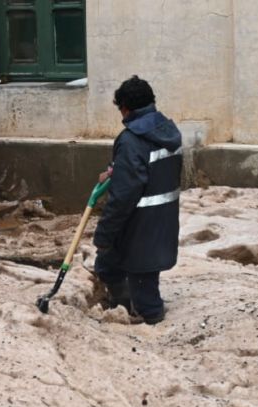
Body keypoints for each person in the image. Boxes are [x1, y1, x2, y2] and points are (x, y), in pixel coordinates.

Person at [92, 76, 183, 325]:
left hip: (138, 223)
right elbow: (149, 168)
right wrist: (115, 169)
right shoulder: (167, 130)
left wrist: (103, 234)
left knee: (145, 288)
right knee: (108, 264)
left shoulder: (131, 139)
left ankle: (148, 318)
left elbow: (123, 195)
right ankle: (122, 303)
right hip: (161, 219)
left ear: (126, 108)